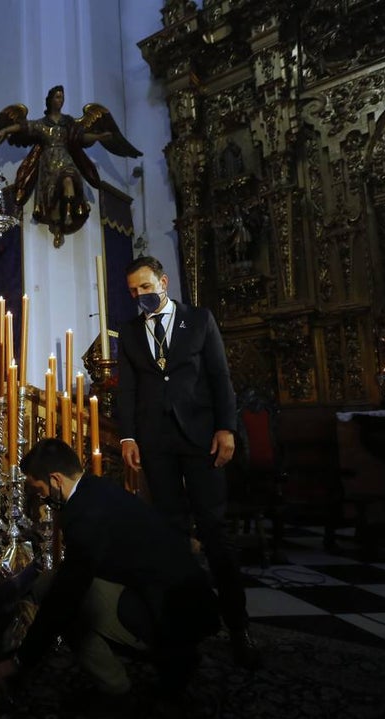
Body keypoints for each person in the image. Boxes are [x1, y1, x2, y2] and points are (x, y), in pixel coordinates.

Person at [0, 439, 219, 702]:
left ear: (55, 479)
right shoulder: (99, 488)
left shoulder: (82, 514)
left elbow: (66, 595)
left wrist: (19, 661)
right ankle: (173, 657)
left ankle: (117, 685)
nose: (40, 497)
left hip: (170, 614)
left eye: (39, 488)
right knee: (56, 583)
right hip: (185, 601)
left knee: (61, 596)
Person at [115, 255, 260, 668]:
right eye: (131, 291)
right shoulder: (128, 332)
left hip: (201, 440)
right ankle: (182, 626)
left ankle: (238, 626)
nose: (139, 296)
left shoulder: (199, 320)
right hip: (155, 443)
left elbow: (219, 376)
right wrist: (127, 435)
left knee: (214, 531)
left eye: (144, 287)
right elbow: (127, 390)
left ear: (162, 282)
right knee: (171, 533)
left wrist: (226, 428)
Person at [0, 85, 141, 247]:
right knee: (53, 192)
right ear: (50, 100)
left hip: (65, 158)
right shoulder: (42, 124)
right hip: (48, 163)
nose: (60, 100)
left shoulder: (69, 122)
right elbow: (24, 127)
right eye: (57, 97)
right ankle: (57, 217)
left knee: (70, 178)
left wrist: (99, 137)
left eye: (62, 97)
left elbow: (82, 137)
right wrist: (5, 130)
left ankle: (69, 211)